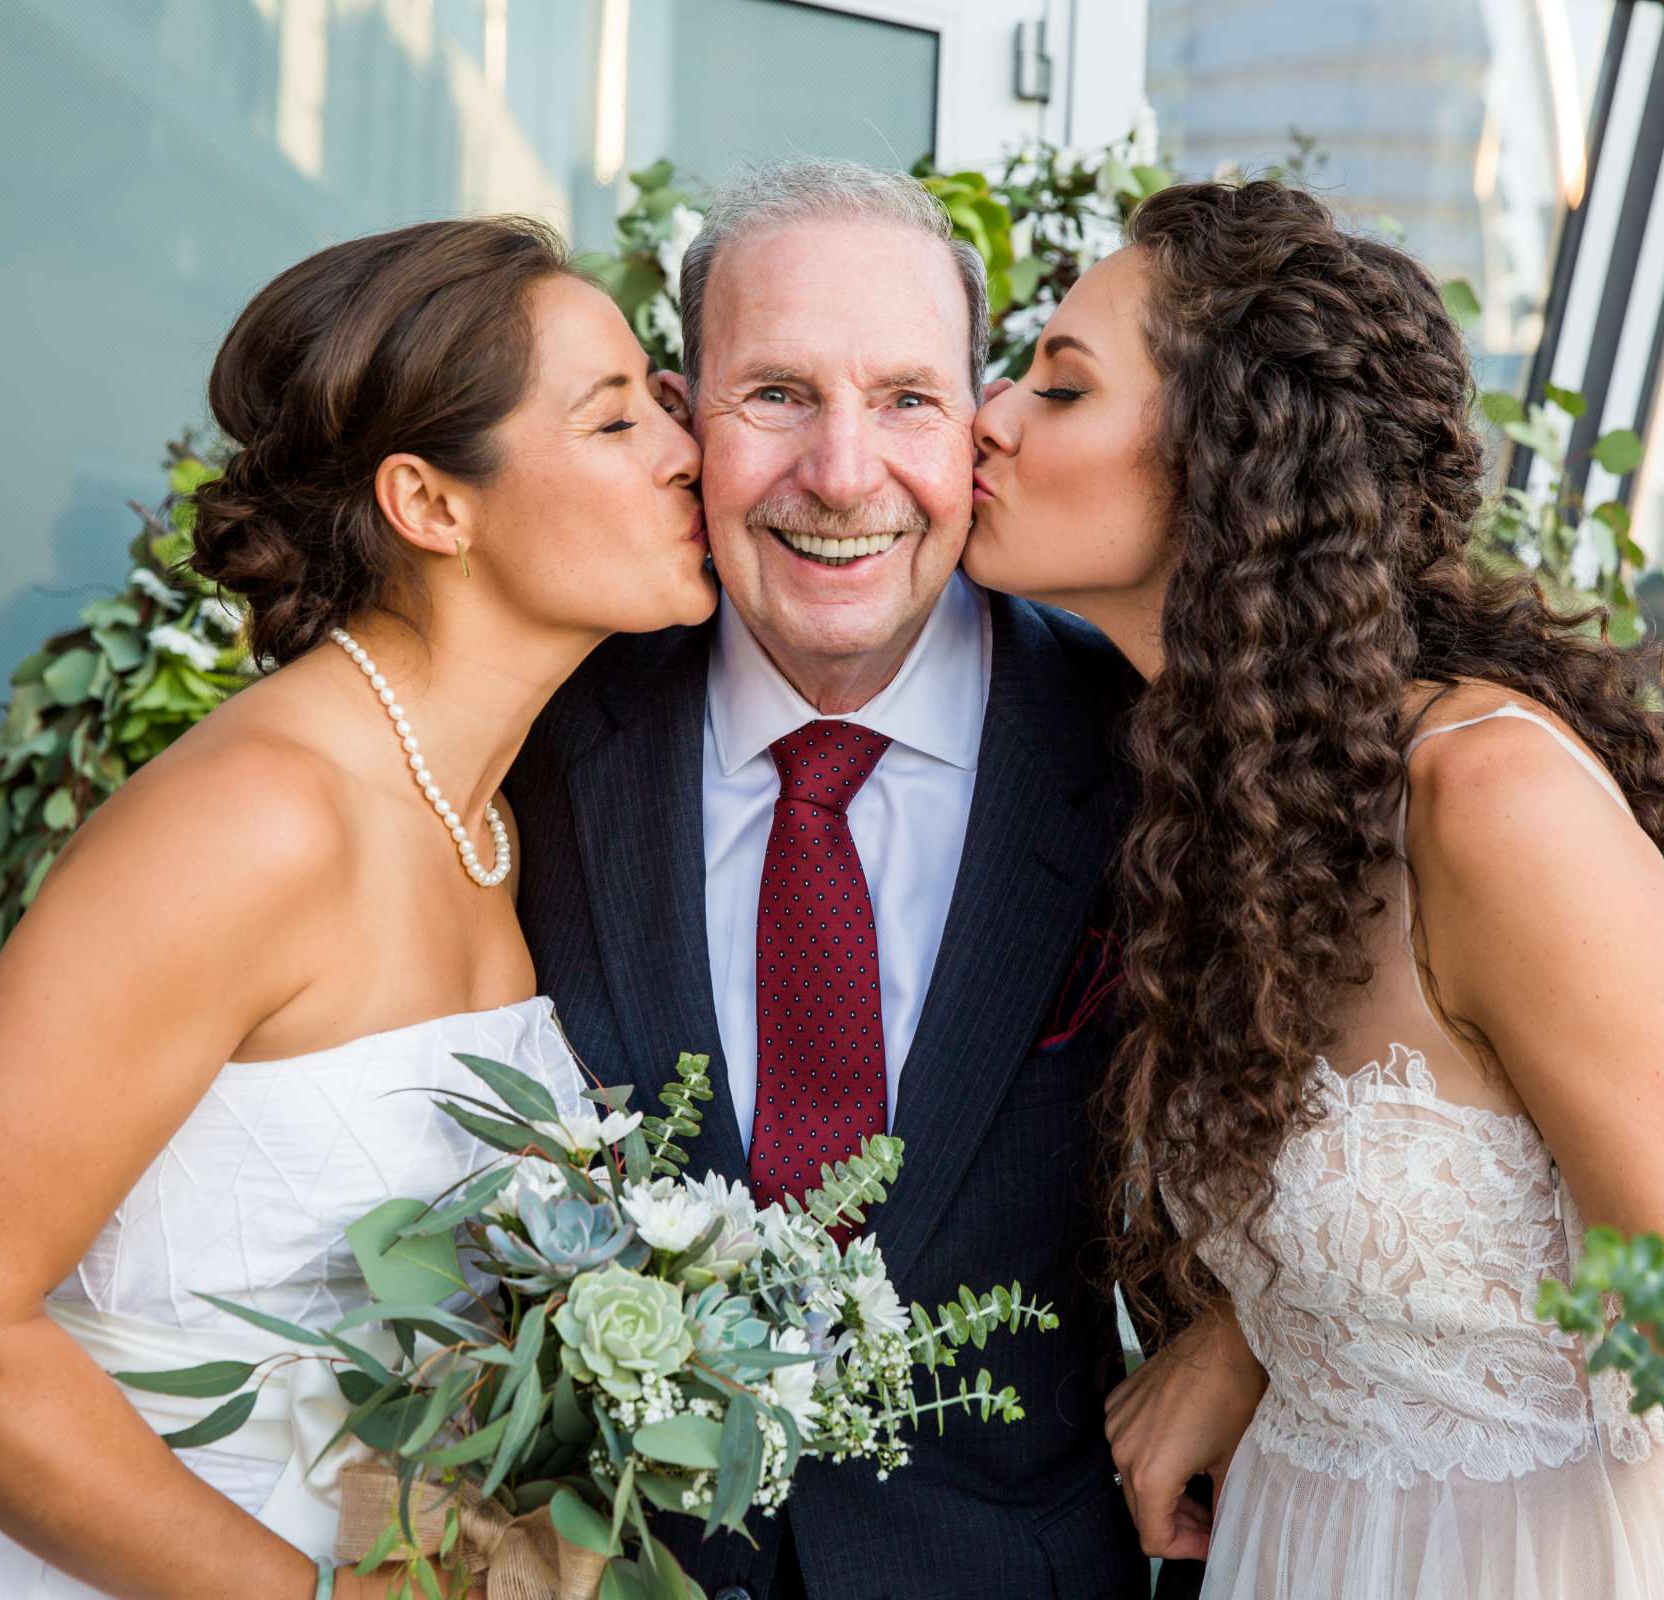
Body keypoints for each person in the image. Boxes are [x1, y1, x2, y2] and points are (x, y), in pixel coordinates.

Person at [0, 216, 715, 1598]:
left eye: (662, 403)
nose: (687, 449)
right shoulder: (253, 824)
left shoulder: (489, 822)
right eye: (614, 422)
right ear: (432, 506)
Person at [963, 180, 1664, 1599]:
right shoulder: (1231, 791)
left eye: (1060, 387)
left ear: (1231, 460)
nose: (988, 415)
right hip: (1293, 1546)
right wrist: (1249, 1336)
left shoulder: (1491, 804)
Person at [502, 159, 1173, 1600]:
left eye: (907, 399)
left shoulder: (1147, 757)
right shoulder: (536, 744)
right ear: (684, 418)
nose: (844, 472)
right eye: (778, 395)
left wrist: (1243, 1347)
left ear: (979, 425)